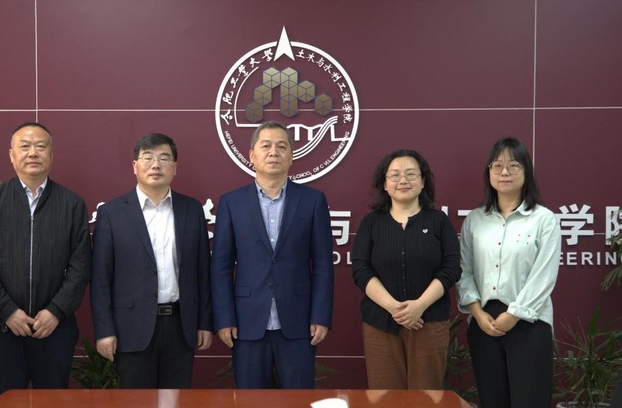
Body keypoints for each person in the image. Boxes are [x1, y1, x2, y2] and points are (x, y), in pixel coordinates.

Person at [0, 122, 91, 399]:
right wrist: (8, 310)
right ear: (12, 155)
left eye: (40, 146)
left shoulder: (72, 204)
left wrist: (56, 311)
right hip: (4, 327)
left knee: (53, 402)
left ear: (51, 155)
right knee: (5, 402)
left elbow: (81, 265)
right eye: (24, 146)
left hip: (54, 329)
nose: (32, 153)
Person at [210, 121, 334, 389]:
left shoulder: (312, 200)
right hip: (247, 322)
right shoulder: (232, 203)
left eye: (281, 146)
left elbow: (323, 264)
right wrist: (225, 318)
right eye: (265, 146)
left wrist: (320, 315)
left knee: (299, 399)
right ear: (252, 155)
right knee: (251, 401)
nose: (273, 152)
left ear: (291, 156)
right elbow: (221, 267)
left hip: (300, 322)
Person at [90, 133, 213, 388]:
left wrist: (204, 322)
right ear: (135, 166)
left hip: (180, 325)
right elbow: (100, 278)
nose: (156, 165)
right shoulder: (112, 213)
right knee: (136, 402)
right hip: (130, 327)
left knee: (174, 400)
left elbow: (202, 272)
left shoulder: (192, 210)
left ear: (175, 167)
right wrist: (104, 330)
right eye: (148, 158)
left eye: (164, 158)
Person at [456, 137, 561, 407]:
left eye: (514, 165)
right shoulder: (474, 220)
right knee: (492, 401)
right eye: (497, 166)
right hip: (484, 324)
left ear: (526, 172)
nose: (505, 172)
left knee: (530, 401)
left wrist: (514, 314)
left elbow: (544, 276)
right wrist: (477, 313)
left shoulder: (544, 219)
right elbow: (464, 270)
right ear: (489, 172)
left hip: (529, 323)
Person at [351, 150, 461, 389]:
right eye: (395, 175)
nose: (403, 180)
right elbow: (360, 269)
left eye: (411, 174)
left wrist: (419, 305)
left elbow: (451, 268)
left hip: (428, 321)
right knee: (385, 397)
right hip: (380, 323)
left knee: (427, 397)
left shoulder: (439, 221)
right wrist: (394, 308)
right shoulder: (371, 223)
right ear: (385, 184)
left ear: (422, 182)